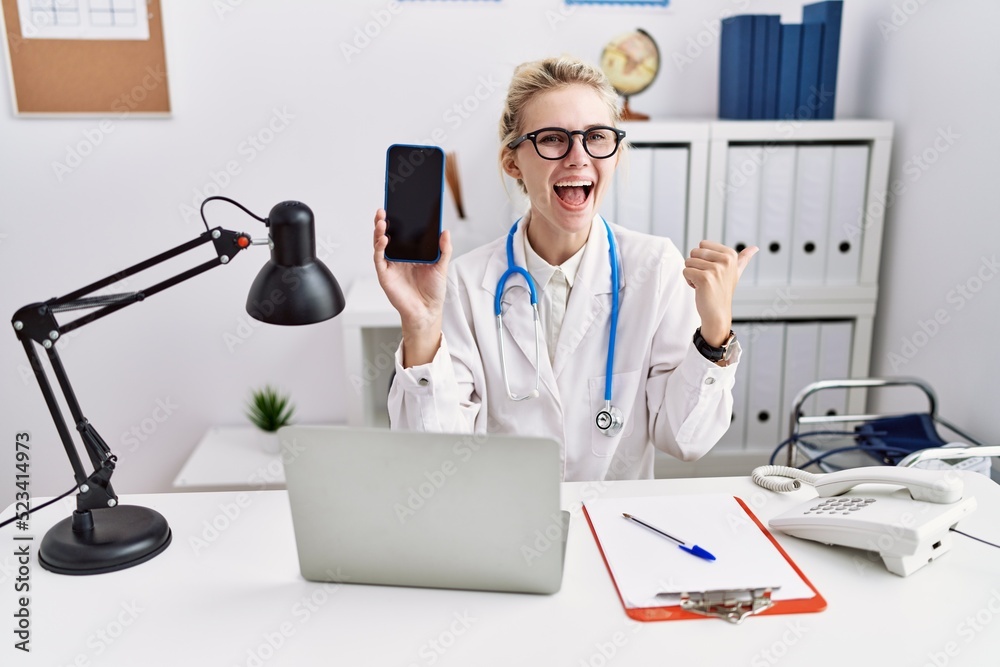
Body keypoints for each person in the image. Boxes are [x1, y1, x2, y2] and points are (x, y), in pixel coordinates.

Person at [372, 56, 756, 482]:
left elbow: (686, 441)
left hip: (613, 528)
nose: (578, 157)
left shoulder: (655, 268)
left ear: (615, 152)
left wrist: (715, 334)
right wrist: (421, 327)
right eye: (553, 139)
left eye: (596, 136)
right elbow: (433, 456)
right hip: (505, 526)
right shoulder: (464, 283)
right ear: (512, 162)